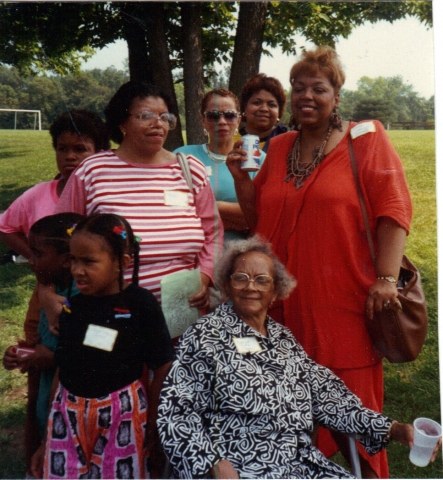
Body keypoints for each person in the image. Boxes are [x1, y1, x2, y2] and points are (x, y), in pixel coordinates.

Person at [227, 46, 413, 478]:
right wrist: (242, 182)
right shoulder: (280, 147)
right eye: (298, 87)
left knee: (356, 421)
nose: (306, 95)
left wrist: (386, 278)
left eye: (319, 88)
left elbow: (394, 210)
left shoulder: (366, 138)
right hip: (283, 312)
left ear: (337, 95)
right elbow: (260, 220)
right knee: (287, 424)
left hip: (343, 309)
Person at [157, 237, 436, 479]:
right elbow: (176, 413)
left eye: (261, 280)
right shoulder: (206, 336)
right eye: (240, 277)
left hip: (300, 465)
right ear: (228, 287)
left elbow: (331, 399)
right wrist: (213, 463)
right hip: (240, 466)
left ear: (276, 292)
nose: (250, 286)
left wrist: (397, 429)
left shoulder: (284, 340)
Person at [53, 82, 222, 319]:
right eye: (146, 116)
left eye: (165, 117)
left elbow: (213, 234)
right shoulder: (92, 171)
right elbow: (59, 235)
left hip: (181, 315)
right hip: (110, 315)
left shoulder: (190, 169)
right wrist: (49, 289)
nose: (158, 123)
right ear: (122, 122)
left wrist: (204, 276)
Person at [0, 110, 109, 476]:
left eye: (81, 148)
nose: (71, 157)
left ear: (100, 150)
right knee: (41, 390)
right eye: (62, 149)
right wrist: (38, 265)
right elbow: (6, 226)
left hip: (88, 304)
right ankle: (41, 455)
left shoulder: (101, 195)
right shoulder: (38, 195)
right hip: (46, 300)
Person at [31, 213, 174, 479]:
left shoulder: (140, 305)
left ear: (122, 262)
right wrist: (47, 438)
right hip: (68, 414)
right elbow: (64, 366)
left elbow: (162, 363)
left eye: (88, 261)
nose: (76, 270)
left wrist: (153, 425)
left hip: (123, 417)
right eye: (73, 260)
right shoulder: (74, 306)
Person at [3, 213, 83, 440]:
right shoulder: (49, 294)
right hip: (47, 402)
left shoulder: (82, 299)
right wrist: (21, 354)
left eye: (37, 254)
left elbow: (92, 350)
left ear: (66, 259)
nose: (31, 260)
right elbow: (44, 343)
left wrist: (54, 358)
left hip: (72, 410)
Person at [174, 89, 265, 243]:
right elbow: (174, 206)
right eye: (213, 116)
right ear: (203, 120)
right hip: (194, 248)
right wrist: (232, 221)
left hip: (240, 253)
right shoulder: (184, 157)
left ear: (238, 119)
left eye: (229, 115)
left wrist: (212, 206)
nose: (222, 121)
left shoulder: (256, 159)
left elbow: (262, 214)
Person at [234, 73, 288, 152]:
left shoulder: (288, 143)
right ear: (244, 107)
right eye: (257, 103)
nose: (264, 109)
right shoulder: (229, 141)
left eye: (271, 105)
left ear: (279, 112)